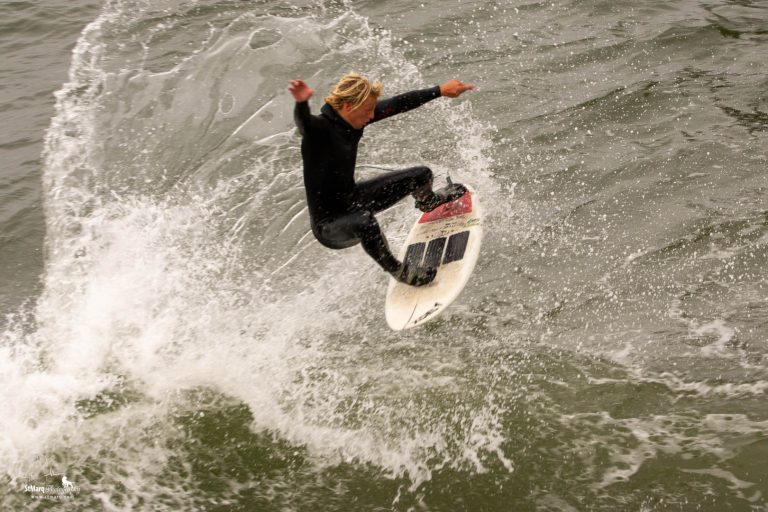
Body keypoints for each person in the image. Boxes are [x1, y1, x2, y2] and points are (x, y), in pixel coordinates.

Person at [289, 72, 475, 286]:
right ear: (348, 106)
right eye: (368, 111)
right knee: (365, 222)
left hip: (354, 199)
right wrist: (301, 102)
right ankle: (400, 271)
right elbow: (303, 123)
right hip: (330, 225)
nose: (371, 116)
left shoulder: (353, 119)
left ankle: (429, 202)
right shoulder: (319, 130)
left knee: (421, 175)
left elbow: (398, 103)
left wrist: (440, 90)